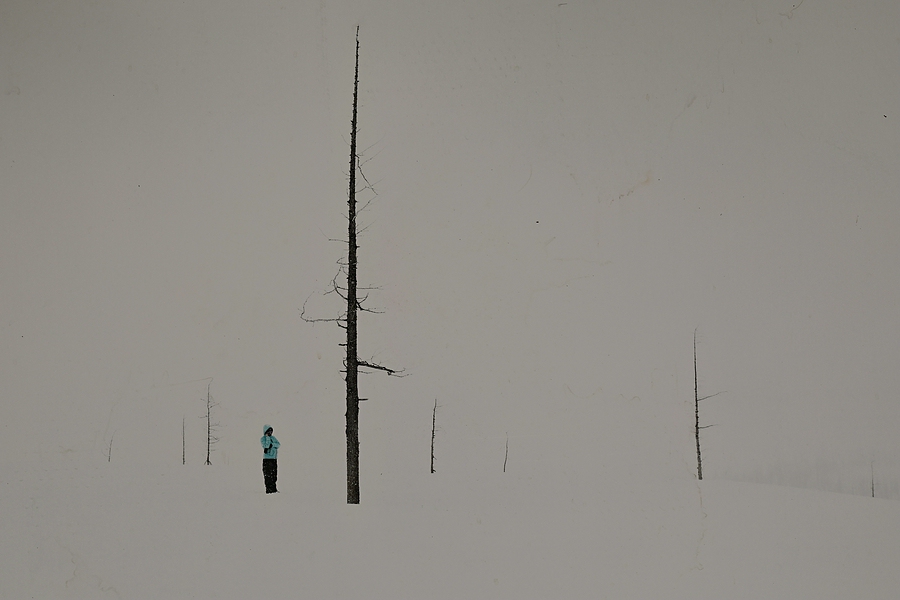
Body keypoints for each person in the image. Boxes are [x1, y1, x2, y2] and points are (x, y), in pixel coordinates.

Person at [260, 424, 280, 493]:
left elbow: (278, 444)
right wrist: (267, 438)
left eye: (271, 431)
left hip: (274, 459)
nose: (270, 433)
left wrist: (273, 444)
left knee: (274, 474)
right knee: (268, 475)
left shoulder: (273, 438)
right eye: (268, 431)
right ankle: (269, 489)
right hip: (267, 459)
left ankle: (274, 489)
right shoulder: (263, 439)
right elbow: (266, 445)